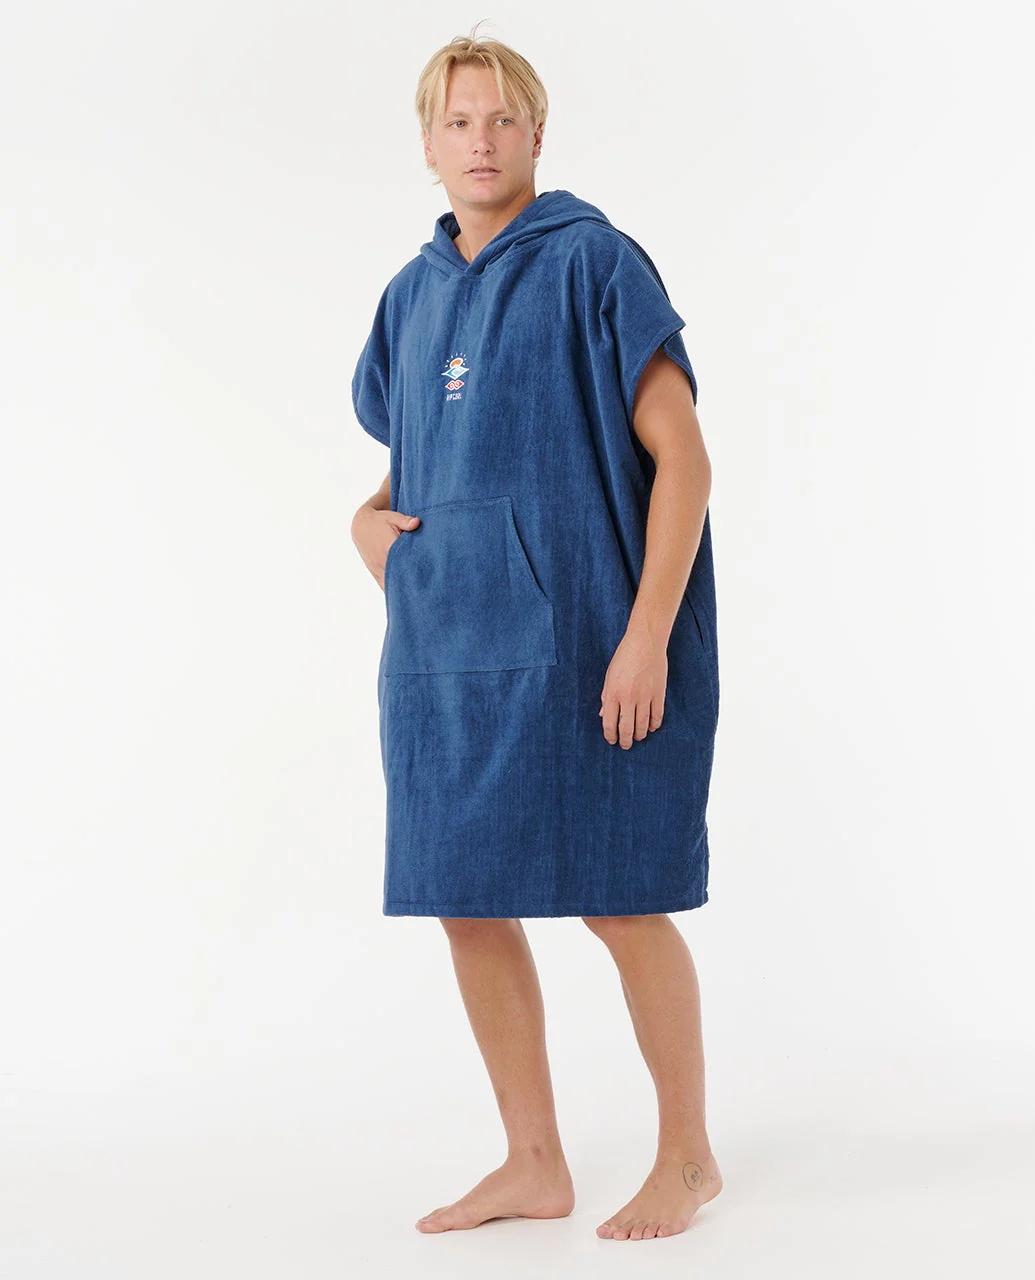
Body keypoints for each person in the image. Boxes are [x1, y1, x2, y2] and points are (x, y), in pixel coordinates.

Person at [350, 24, 722, 1242]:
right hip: (448, 656)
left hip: (589, 647)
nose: (481, 140)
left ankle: (689, 1157)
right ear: (427, 142)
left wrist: (647, 634)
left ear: (537, 134)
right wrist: (366, 529)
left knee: (622, 895)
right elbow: (415, 464)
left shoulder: (594, 263)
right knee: (466, 897)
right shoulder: (409, 298)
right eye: (458, 121)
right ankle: (532, 1159)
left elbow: (685, 460)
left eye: (502, 118)